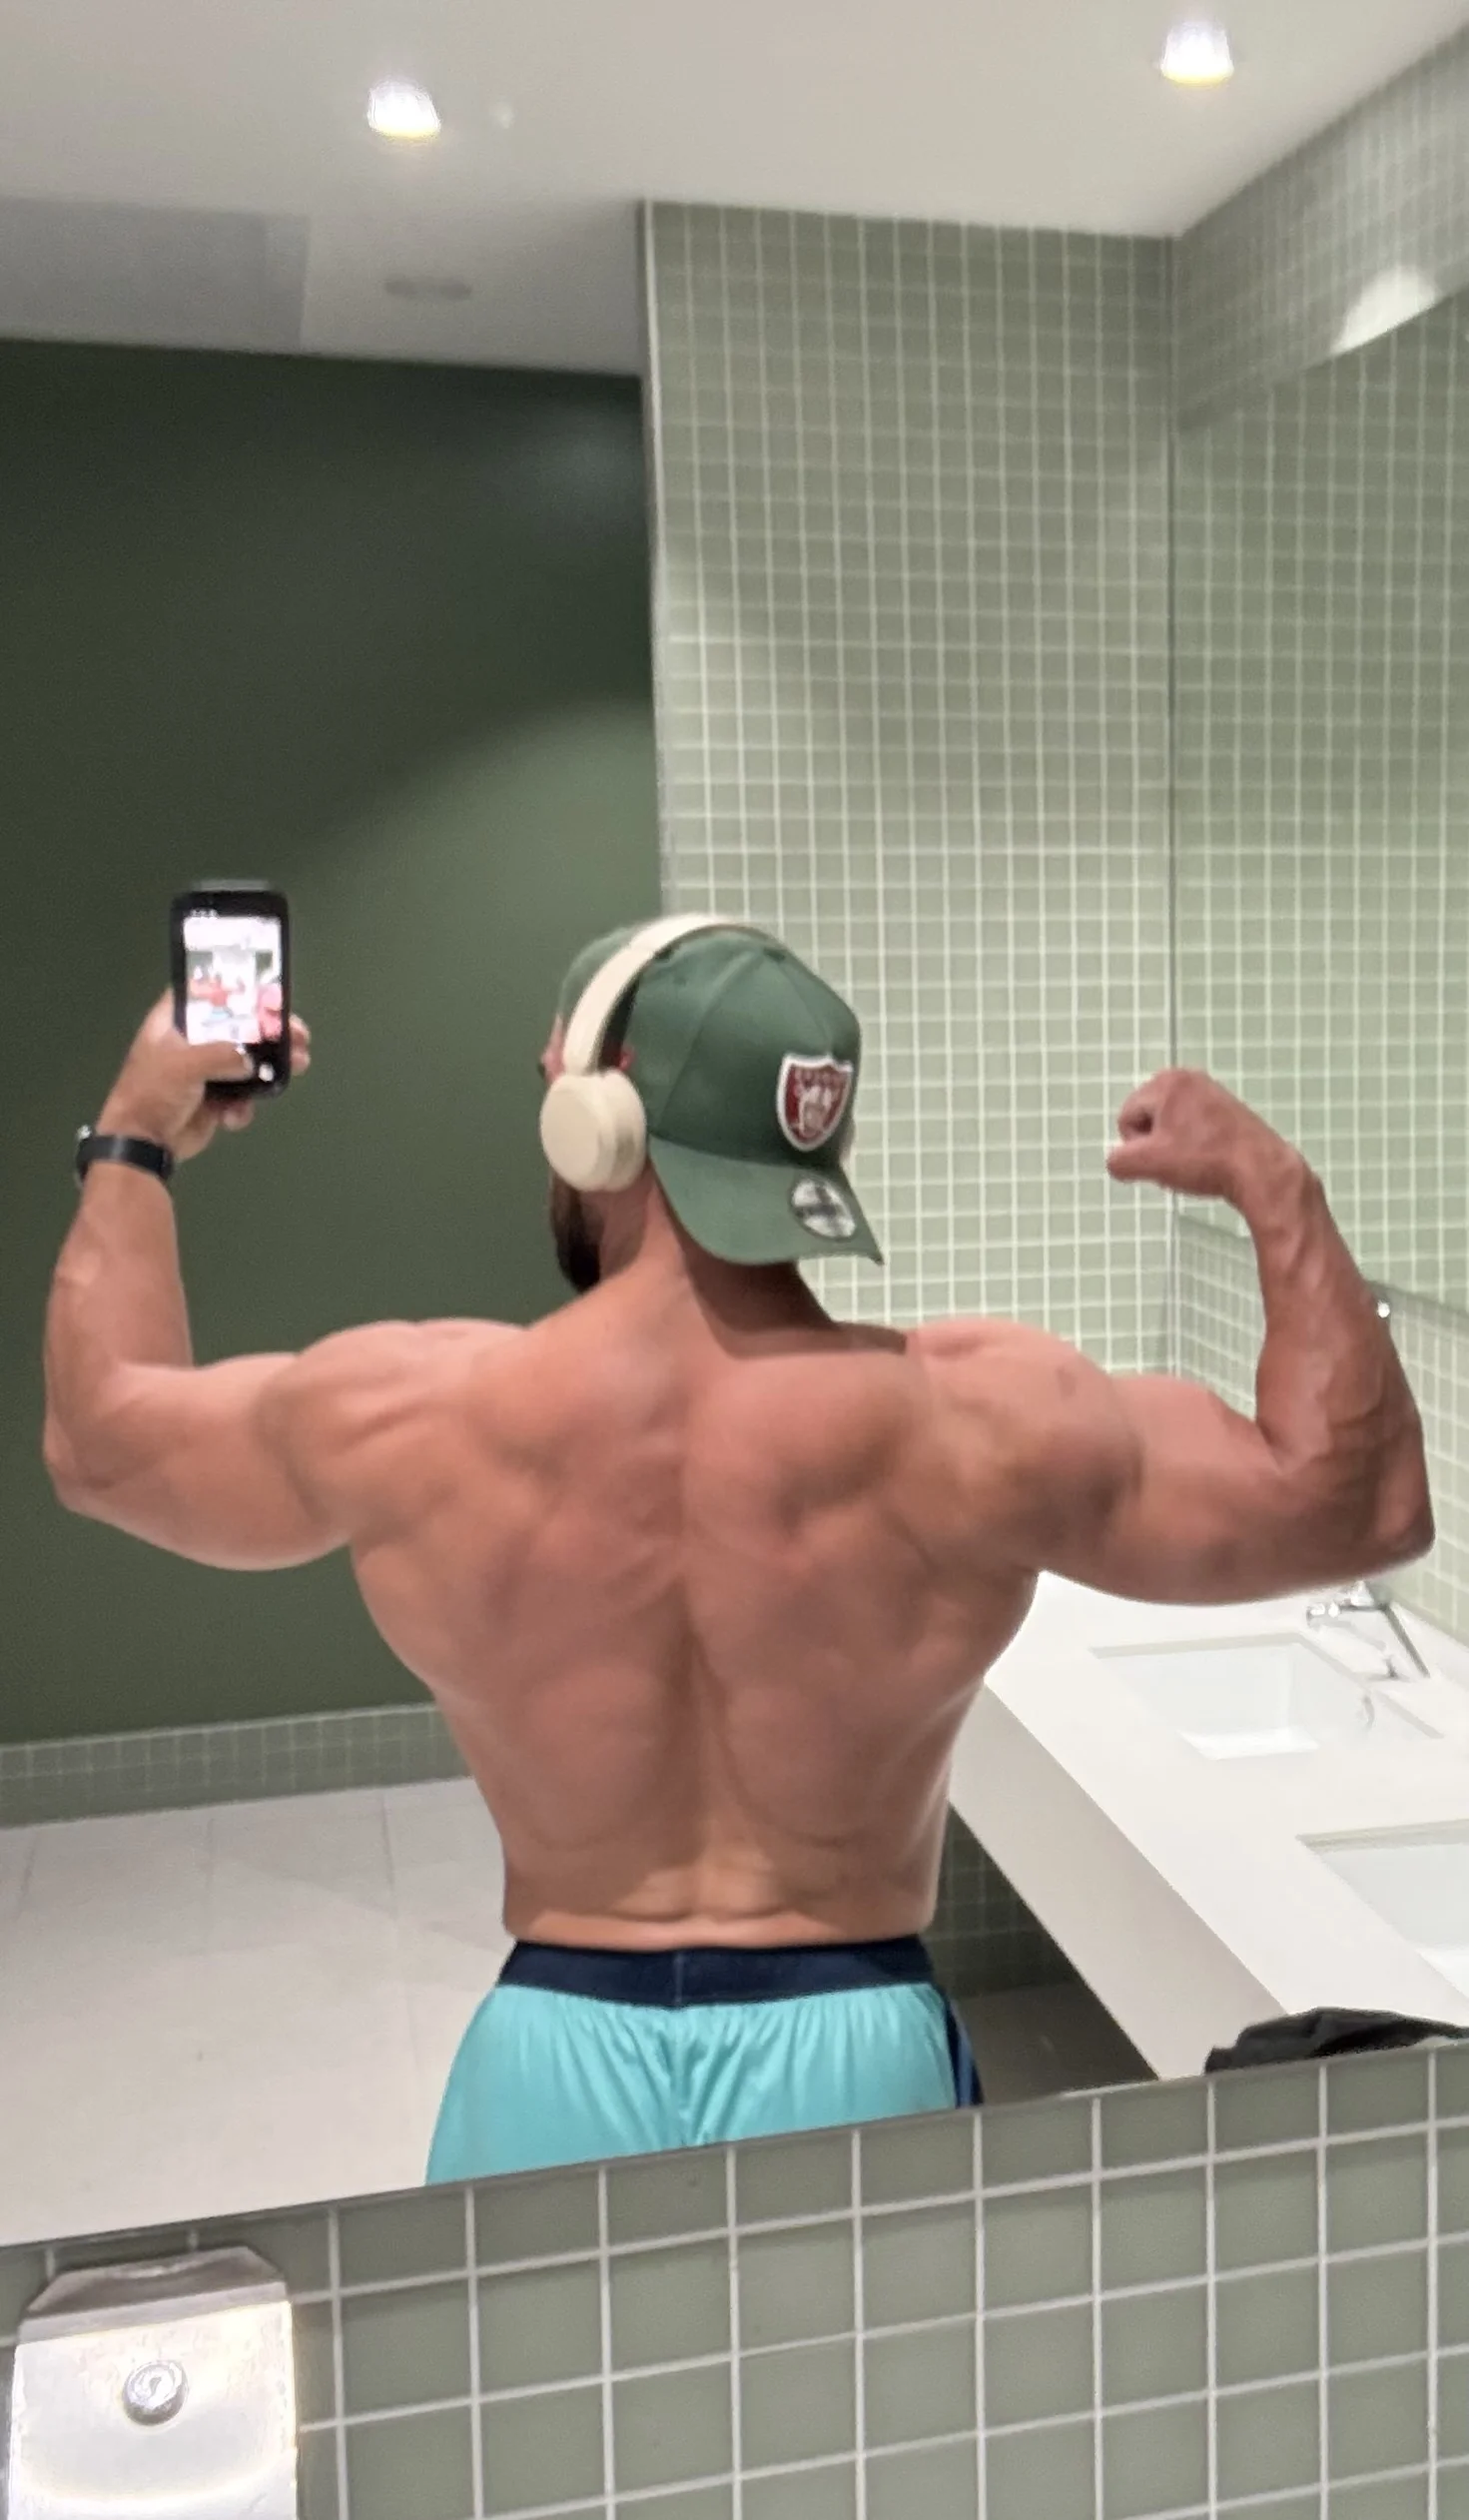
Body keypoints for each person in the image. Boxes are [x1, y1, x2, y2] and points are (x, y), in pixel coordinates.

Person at [42, 917, 1434, 2177]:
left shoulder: (420, 1413)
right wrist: (1274, 1182)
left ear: (596, 1124)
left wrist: (136, 1133)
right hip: (858, 2051)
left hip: (552, 2055)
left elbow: (100, 1441)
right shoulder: (981, 1421)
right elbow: (1357, 1505)